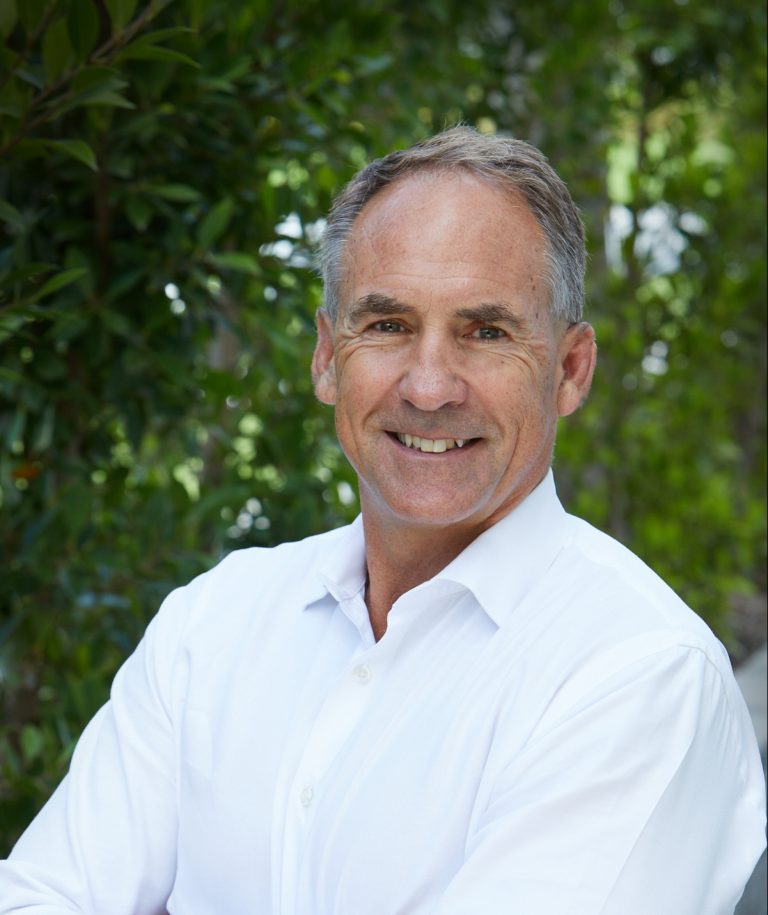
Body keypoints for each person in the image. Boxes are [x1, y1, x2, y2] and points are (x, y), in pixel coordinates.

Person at [1, 127, 764, 914]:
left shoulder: (641, 673)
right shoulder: (215, 622)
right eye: (388, 325)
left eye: (486, 332)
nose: (429, 387)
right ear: (327, 357)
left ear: (570, 370)